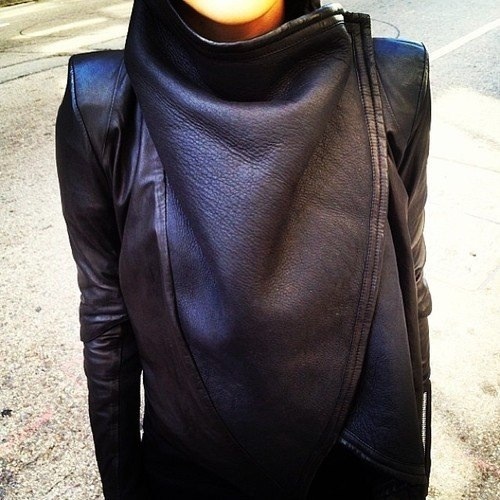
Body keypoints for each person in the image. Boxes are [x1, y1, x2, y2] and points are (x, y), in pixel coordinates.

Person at [56, 0, 432, 498]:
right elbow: (107, 321)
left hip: (360, 469)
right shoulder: (101, 100)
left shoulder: (393, 79)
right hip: (189, 474)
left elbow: (410, 286)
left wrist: (413, 466)